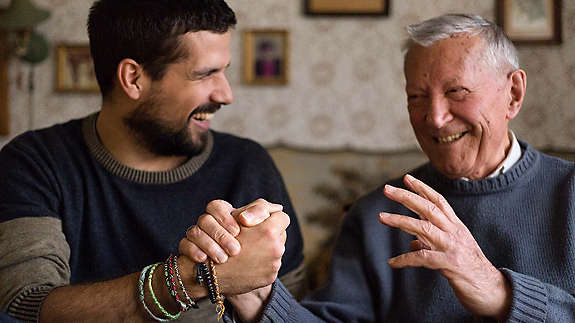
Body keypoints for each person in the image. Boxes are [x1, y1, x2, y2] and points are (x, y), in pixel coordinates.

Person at [183, 14, 575, 322]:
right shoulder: (376, 214)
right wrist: (253, 298)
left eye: (457, 92)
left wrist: (500, 294)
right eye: (416, 97)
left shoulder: (570, 194)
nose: (434, 118)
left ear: (514, 94)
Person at [0, 0, 305, 322]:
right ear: (133, 79)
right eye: (206, 74)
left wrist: (253, 291)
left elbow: (298, 305)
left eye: (223, 71)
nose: (225, 94)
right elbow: (22, 306)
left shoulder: (248, 164)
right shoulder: (33, 162)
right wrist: (189, 279)